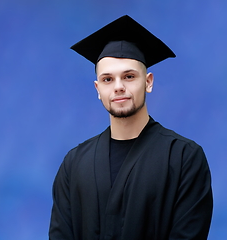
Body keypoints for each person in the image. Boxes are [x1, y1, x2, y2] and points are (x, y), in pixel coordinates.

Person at [49, 15, 213, 240]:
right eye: (107, 79)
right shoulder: (74, 163)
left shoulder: (184, 158)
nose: (118, 87)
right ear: (97, 89)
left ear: (148, 82)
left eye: (129, 76)